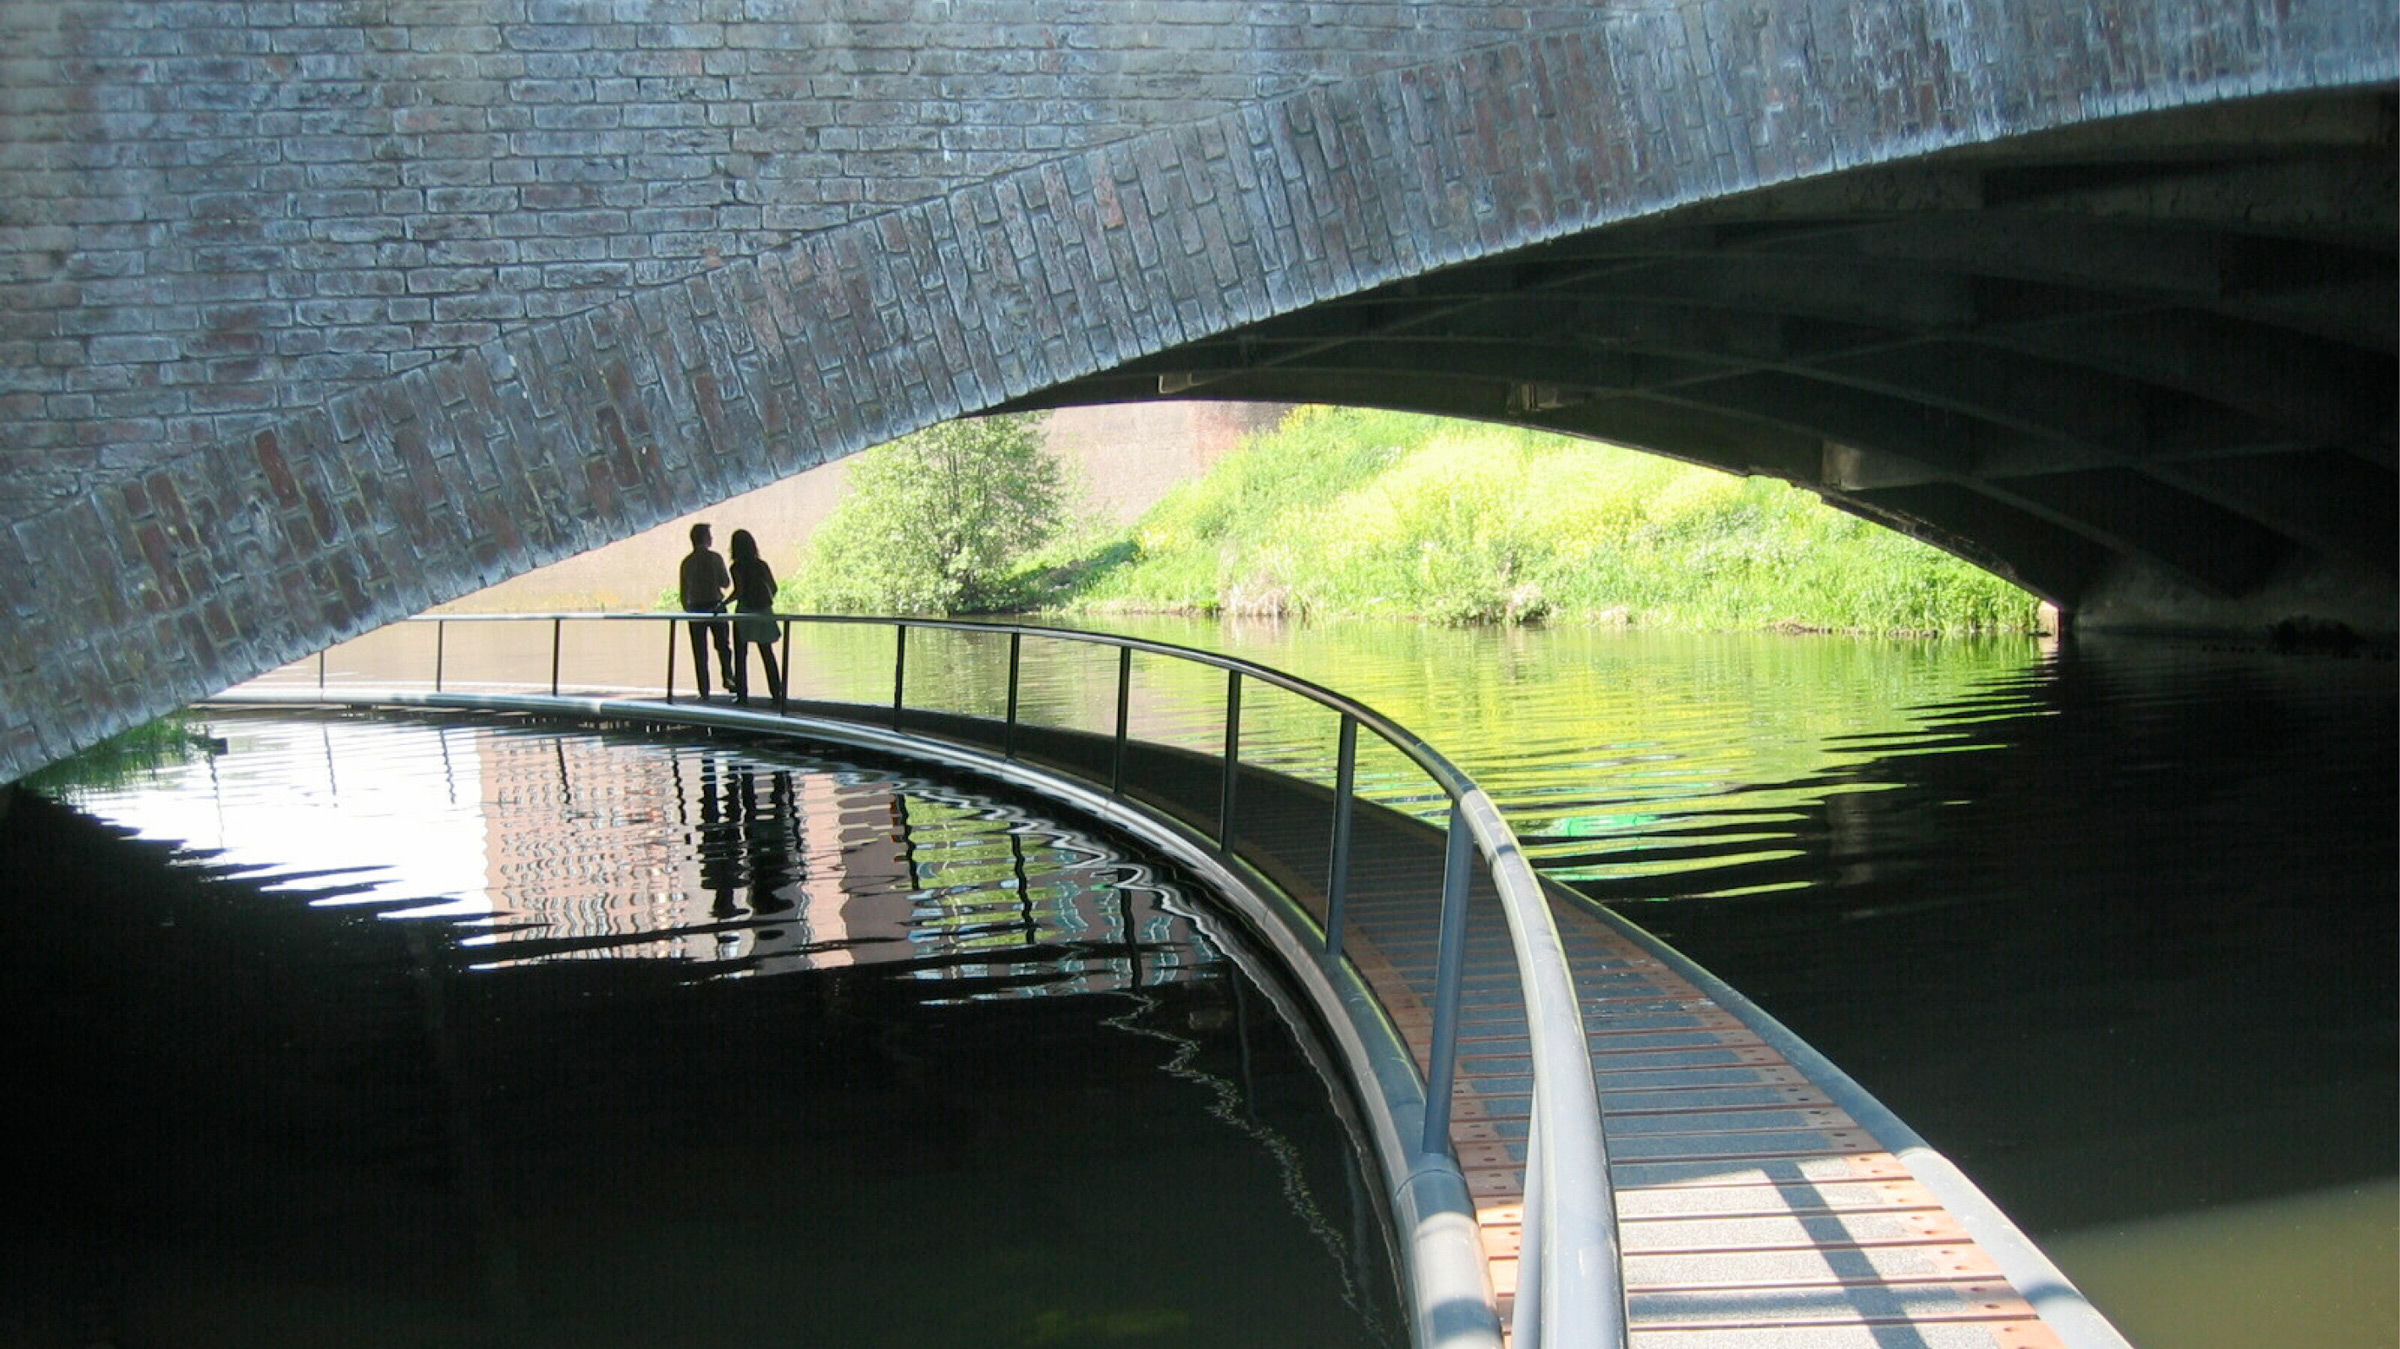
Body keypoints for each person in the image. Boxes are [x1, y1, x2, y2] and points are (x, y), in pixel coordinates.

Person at [727, 528, 785, 708]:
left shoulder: (736, 567)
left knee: (741, 655)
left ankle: (742, 696)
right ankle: (777, 694)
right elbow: (773, 588)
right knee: (767, 653)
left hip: (744, 612)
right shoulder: (762, 565)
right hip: (763, 611)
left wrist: (723, 603)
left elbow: (739, 591)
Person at [679, 522, 736, 699]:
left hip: (695, 609)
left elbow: (683, 592)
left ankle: (704, 690)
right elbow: (725, 583)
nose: (712, 538)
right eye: (709, 535)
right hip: (716, 607)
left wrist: (688, 610)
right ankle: (728, 678)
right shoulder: (715, 558)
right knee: (723, 646)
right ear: (705, 538)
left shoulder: (686, 563)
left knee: (700, 652)